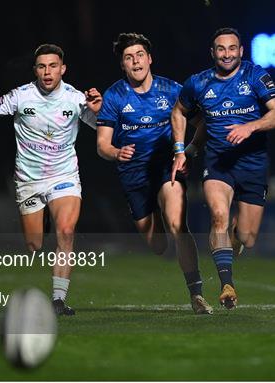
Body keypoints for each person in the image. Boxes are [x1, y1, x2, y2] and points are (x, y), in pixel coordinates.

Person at [0, 44, 102, 316]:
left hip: (63, 176)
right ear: (36, 70)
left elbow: (102, 128)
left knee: (65, 231)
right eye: (42, 66)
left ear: (62, 69)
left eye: (53, 66)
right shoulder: (21, 96)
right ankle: (46, 217)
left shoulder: (75, 98)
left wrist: (99, 111)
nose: (47, 71)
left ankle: (58, 300)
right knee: (34, 244)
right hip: (29, 179)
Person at [96, 33, 213, 315]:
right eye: (128, 57)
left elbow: (202, 124)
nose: (135, 61)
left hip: (165, 167)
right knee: (159, 245)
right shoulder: (114, 95)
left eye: (139, 55)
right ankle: (155, 214)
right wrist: (116, 153)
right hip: (134, 175)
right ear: (123, 66)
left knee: (177, 225)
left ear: (149, 59)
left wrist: (187, 151)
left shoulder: (172, 90)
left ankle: (196, 294)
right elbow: (102, 144)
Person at [171, 27, 275, 309]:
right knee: (219, 216)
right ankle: (227, 284)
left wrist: (250, 127)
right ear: (213, 53)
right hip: (218, 163)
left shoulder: (255, 76)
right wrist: (182, 151)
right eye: (221, 49)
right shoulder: (198, 83)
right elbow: (178, 112)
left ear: (241, 51)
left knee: (246, 236)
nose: (226, 54)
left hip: (253, 163)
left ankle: (230, 246)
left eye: (232, 48)